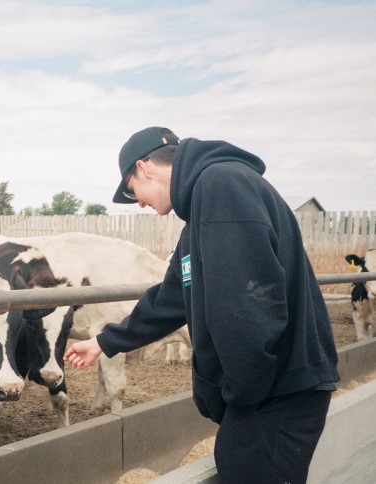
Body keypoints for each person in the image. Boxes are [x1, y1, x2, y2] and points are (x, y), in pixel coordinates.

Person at [64, 126, 339, 484]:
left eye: (134, 193)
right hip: (270, 392)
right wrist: (105, 341)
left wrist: (240, 398)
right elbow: (172, 296)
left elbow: (247, 307)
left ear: (144, 167)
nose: (142, 204)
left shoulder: (222, 188)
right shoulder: (202, 211)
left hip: (277, 394)